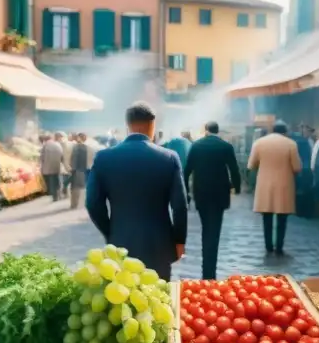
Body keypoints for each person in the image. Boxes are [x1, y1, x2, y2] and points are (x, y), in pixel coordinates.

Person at [86, 102, 188, 280]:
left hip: (120, 243)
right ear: (152, 125)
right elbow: (180, 206)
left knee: (124, 300)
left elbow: (93, 203)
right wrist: (179, 241)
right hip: (159, 245)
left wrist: (110, 231)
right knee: (158, 300)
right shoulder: (169, 158)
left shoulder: (104, 157)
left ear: (128, 125)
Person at [184, 121, 242, 279]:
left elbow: (187, 170)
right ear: (218, 130)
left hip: (201, 193)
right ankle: (211, 271)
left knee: (205, 228)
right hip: (219, 195)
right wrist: (237, 188)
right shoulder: (226, 146)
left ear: (206, 130)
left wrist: (185, 192)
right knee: (214, 230)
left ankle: (206, 269)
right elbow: (234, 170)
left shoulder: (196, 146)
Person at [247, 121, 301, 255]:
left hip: (265, 184)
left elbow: (251, 165)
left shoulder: (259, 143)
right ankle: (279, 246)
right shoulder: (291, 144)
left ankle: (268, 245)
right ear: (285, 131)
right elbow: (297, 167)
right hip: (284, 184)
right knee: (282, 218)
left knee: (267, 217)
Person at [292, 124, 314, 218]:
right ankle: (301, 211)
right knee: (301, 191)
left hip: (307, 169)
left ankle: (304, 211)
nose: (306, 132)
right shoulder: (300, 142)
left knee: (306, 191)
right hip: (303, 169)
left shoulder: (311, 141)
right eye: (305, 130)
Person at [40, 133, 64, 202]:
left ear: (45, 139)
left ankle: (55, 197)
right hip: (57, 166)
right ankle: (59, 194)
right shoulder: (58, 144)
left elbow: (42, 157)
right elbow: (62, 156)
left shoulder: (45, 146)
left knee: (52, 182)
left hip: (48, 167)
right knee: (58, 180)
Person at [69, 133, 89, 209]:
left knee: (75, 188)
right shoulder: (87, 147)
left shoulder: (76, 147)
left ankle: (74, 205)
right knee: (84, 187)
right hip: (85, 169)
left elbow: (73, 160)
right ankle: (82, 204)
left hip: (77, 169)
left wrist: (72, 168)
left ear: (79, 138)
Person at [57, 132, 73, 198]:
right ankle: (67, 192)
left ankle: (65, 192)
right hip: (69, 164)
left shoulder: (61, 144)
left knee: (64, 179)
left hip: (64, 164)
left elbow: (60, 155)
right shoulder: (72, 144)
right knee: (67, 178)